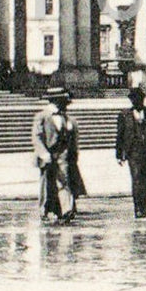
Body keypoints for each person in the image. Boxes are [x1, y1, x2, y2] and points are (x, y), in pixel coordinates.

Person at [32, 86, 85, 224]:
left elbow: (73, 138)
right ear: (55, 101)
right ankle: (45, 210)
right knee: (47, 184)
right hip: (48, 155)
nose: (66, 104)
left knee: (64, 182)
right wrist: (43, 153)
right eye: (63, 101)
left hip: (63, 155)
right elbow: (37, 137)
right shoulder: (42, 117)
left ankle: (67, 209)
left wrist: (73, 153)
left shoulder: (67, 118)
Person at [115, 87, 146, 218]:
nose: (137, 102)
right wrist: (119, 155)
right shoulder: (124, 115)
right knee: (137, 179)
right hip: (133, 152)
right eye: (134, 100)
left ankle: (143, 206)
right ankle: (138, 208)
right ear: (131, 101)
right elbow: (119, 136)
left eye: (139, 99)